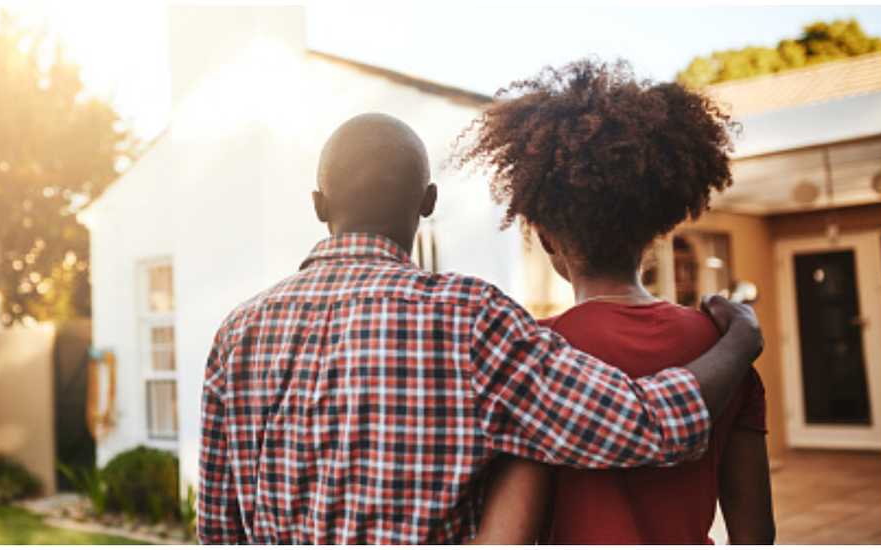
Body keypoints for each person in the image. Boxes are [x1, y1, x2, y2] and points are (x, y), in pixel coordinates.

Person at [197, 112, 763, 544]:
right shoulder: (469, 320)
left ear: (320, 206)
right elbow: (645, 424)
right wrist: (739, 339)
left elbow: (218, 533)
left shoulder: (236, 335)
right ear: (427, 202)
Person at [464, 59, 775, 544]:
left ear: (546, 239)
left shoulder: (535, 355)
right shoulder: (725, 349)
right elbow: (755, 533)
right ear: (656, 230)